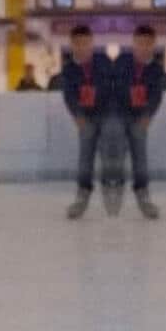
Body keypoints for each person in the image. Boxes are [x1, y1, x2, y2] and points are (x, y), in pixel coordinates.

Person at [110, 24, 166, 219]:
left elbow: (156, 96)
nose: (143, 47)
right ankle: (113, 195)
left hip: (140, 120)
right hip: (119, 116)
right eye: (140, 43)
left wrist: (147, 116)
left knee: (140, 160)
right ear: (134, 43)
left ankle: (143, 197)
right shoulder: (122, 62)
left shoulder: (157, 70)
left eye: (147, 44)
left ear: (153, 44)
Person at [61, 25, 117, 219]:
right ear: (72, 44)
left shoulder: (103, 62)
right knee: (85, 159)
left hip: (106, 116)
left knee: (109, 157)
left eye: (85, 43)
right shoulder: (68, 69)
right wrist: (77, 115)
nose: (81, 47)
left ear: (91, 43)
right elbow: (68, 95)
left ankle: (110, 196)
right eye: (77, 43)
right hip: (85, 119)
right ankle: (82, 197)